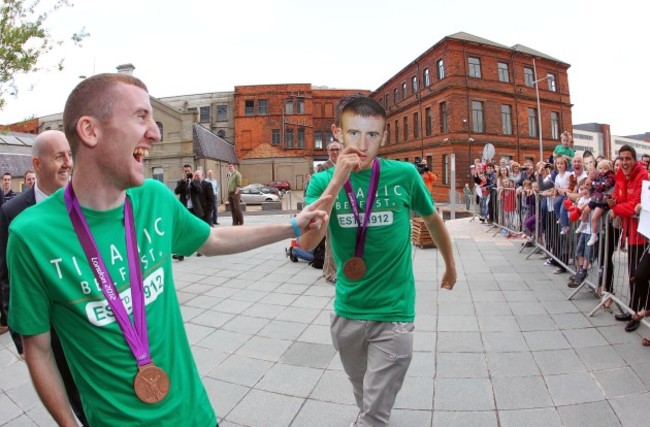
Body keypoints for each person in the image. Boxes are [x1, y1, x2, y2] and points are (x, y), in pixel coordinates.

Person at [7, 73, 329, 427]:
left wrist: (292, 226)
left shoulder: (155, 199)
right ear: (90, 131)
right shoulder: (30, 235)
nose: (155, 133)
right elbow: (37, 347)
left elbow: (212, 239)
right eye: (140, 117)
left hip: (195, 417)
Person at [302, 96, 456, 427]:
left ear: (383, 137)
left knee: (373, 413)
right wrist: (336, 181)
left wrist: (450, 265)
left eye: (372, 135)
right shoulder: (319, 183)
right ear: (337, 132)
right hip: (348, 312)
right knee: (364, 392)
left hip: (394, 314)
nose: (362, 144)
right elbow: (308, 242)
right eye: (354, 133)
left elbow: (432, 220)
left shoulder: (403, 175)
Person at [0, 131, 87, 425]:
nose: (67, 163)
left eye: (69, 155)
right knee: (73, 397)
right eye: (59, 157)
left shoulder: (84, 201)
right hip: (46, 329)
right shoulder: (12, 212)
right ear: (37, 164)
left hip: (85, 318)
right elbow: (5, 278)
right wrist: (21, 337)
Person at [608, 145, 648, 333]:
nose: (624, 162)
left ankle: (638, 313)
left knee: (637, 276)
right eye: (621, 159)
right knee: (631, 275)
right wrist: (614, 202)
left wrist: (616, 209)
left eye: (628, 159)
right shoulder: (621, 176)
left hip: (641, 235)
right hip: (629, 231)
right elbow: (619, 198)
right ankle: (633, 308)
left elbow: (635, 204)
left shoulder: (643, 176)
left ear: (634, 159)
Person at [317, 141, 343, 284]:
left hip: (343, 208)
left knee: (338, 241)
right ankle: (330, 274)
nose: (335, 152)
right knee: (331, 242)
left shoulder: (344, 167)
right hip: (329, 209)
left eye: (337, 149)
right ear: (328, 152)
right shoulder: (323, 168)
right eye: (332, 150)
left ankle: (329, 271)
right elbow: (317, 188)